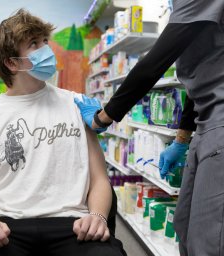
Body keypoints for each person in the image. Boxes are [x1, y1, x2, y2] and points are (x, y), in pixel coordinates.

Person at [0, 9, 126, 256]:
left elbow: (100, 180)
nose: (46, 50)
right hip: (7, 226)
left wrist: (97, 216)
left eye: (44, 42)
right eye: (33, 44)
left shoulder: (77, 105)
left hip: (73, 223)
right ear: (11, 62)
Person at [75, 1, 224, 255]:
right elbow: (201, 76)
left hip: (220, 122)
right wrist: (181, 140)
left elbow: (152, 65)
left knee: (208, 239)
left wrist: (103, 118)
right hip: (205, 121)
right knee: (184, 224)